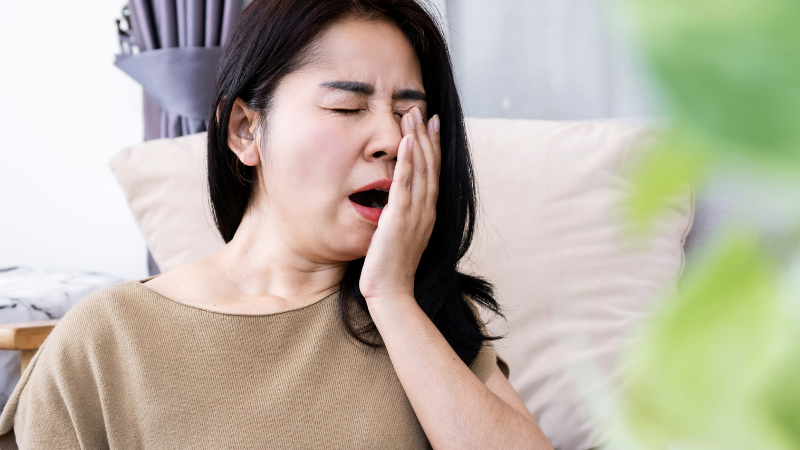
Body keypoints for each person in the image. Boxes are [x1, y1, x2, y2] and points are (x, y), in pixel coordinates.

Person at [0, 0, 552, 448]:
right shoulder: (106, 338)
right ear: (244, 130)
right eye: (347, 108)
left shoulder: (430, 311)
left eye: (408, 113)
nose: (391, 139)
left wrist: (391, 298)